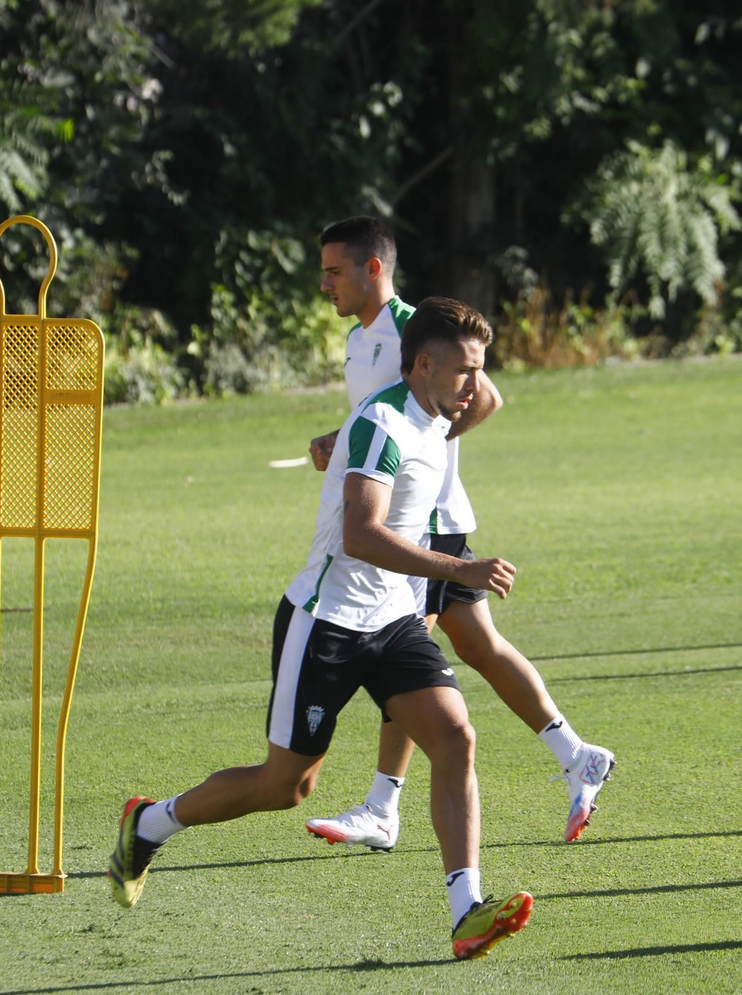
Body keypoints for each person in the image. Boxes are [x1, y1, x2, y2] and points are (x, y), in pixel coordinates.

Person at [108, 299, 533, 960]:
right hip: (326, 623)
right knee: (286, 786)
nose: (476, 388)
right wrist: (462, 568)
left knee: (455, 737)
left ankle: (465, 912)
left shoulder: (435, 414)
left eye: (480, 370)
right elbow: (363, 536)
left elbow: (480, 406)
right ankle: (150, 823)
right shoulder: (384, 423)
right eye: (464, 372)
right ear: (423, 365)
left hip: (391, 623)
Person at [301, 217, 614, 851]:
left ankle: (383, 807)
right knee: (477, 647)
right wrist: (342, 444)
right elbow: (387, 416)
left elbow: (486, 400)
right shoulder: (359, 340)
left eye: (335, 271)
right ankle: (575, 754)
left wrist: (420, 454)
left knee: (403, 651)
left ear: (373, 269)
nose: (326, 283)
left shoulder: (412, 327)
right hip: (417, 523)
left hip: (427, 525)